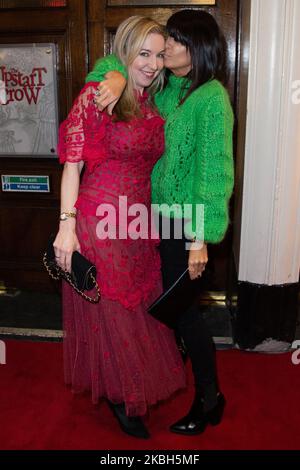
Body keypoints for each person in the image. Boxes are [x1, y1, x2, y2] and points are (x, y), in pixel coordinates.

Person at [86, 9, 234, 436]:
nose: (165, 48)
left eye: (176, 41)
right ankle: (172, 373)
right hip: (152, 220)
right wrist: (112, 76)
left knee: (184, 314)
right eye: (167, 39)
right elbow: (123, 64)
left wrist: (200, 239)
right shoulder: (170, 88)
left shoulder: (211, 99)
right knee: (167, 310)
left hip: (186, 225)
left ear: (199, 49)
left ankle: (209, 399)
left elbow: (214, 174)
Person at [53, 15, 186, 440]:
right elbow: (72, 166)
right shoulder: (99, 93)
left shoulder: (149, 100)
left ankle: (126, 387)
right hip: (98, 218)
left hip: (135, 223)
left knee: (137, 308)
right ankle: (120, 394)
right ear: (124, 52)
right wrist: (66, 228)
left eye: (158, 56)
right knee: (114, 314)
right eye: (142, 54)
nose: (151, 64)